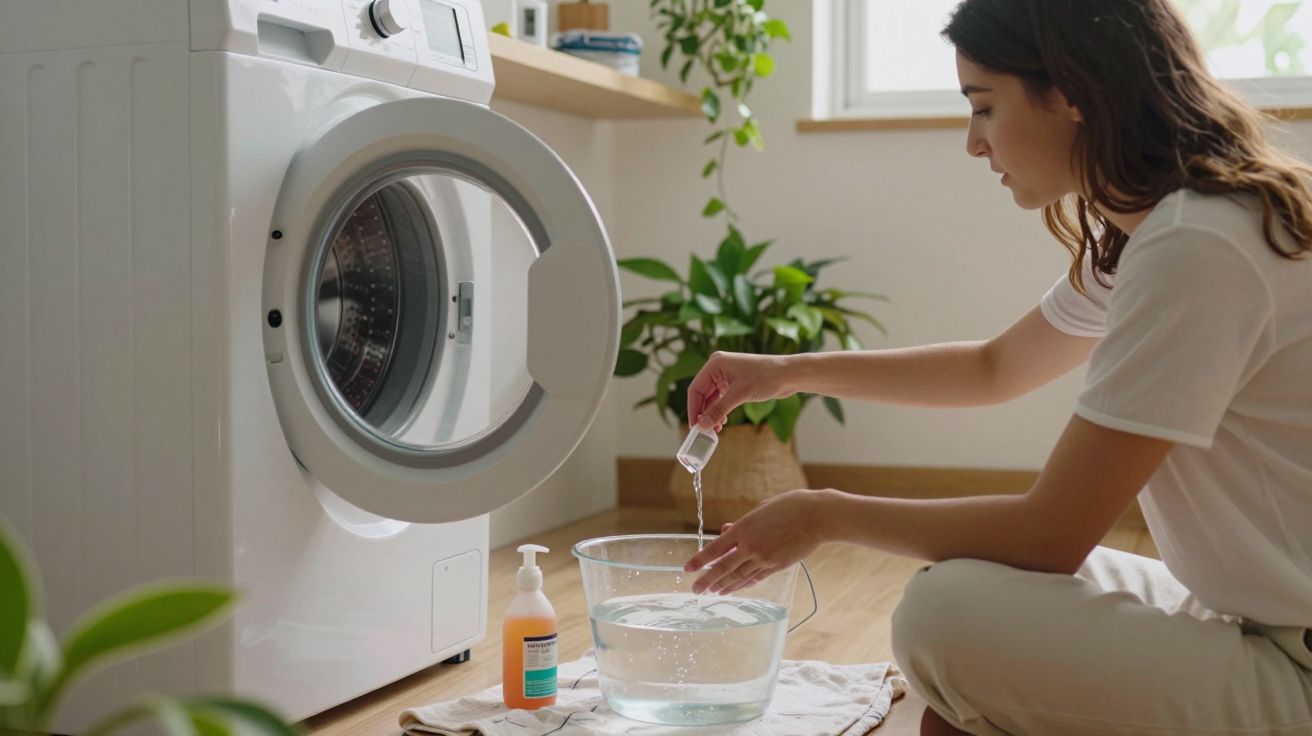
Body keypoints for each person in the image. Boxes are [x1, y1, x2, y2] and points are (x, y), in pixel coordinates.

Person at [679, 1, 1312, 734]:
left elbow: (1050, 533)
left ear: (1070, 93)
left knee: (941, 617)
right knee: (965, 593)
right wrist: (786, 372)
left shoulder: (1197, 246)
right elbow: (993, 367)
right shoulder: (1170, 226)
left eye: (984, 107)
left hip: (1294, 665)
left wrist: (823, 515)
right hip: (1254, 615)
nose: (974, 144)